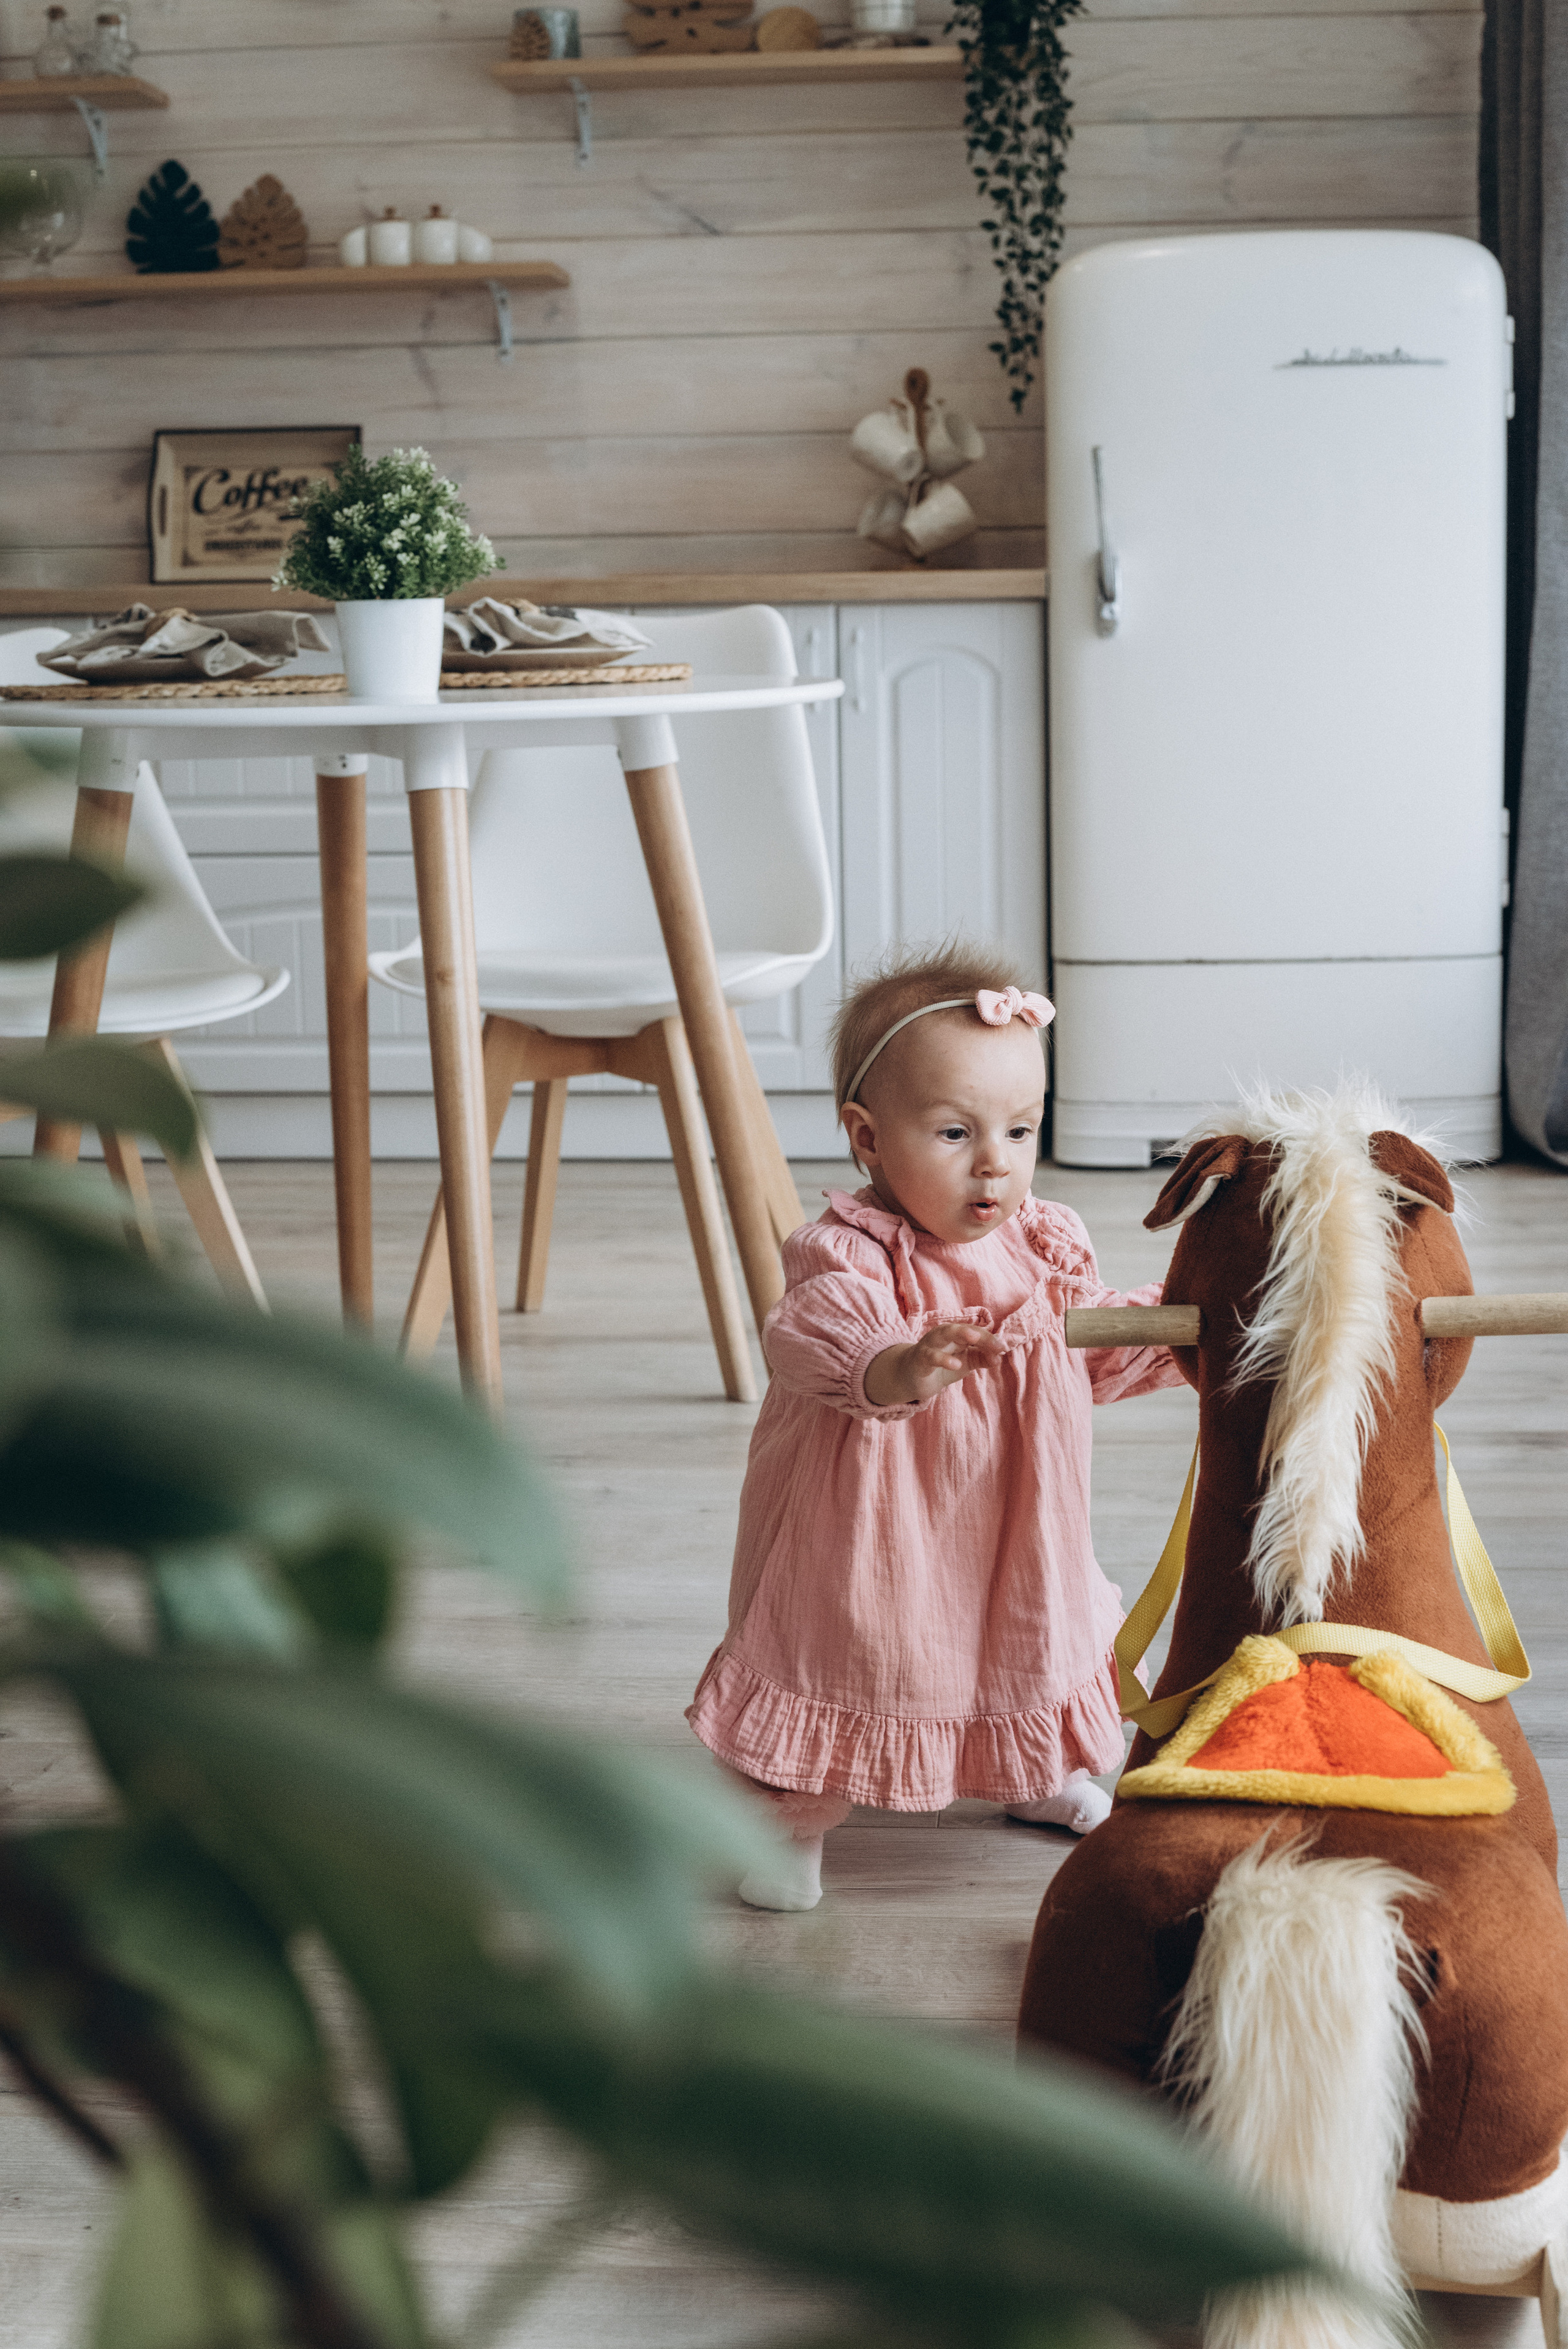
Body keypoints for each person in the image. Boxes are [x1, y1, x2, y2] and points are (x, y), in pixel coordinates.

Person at [687, 947, 1184, 1911]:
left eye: (1020, 1127)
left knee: (1026, 1637)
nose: (996, 1159)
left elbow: (1085, 1348)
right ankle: (791, 1824)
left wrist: (1179, 1335)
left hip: (1018, 1523)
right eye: (955, 1131)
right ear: (868, 1138)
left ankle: (1028, 1771)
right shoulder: (848, 1251)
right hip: (875, 1526)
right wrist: (903, 1363)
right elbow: (811, 1337)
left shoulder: (1044, 1240)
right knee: (851, 1648)